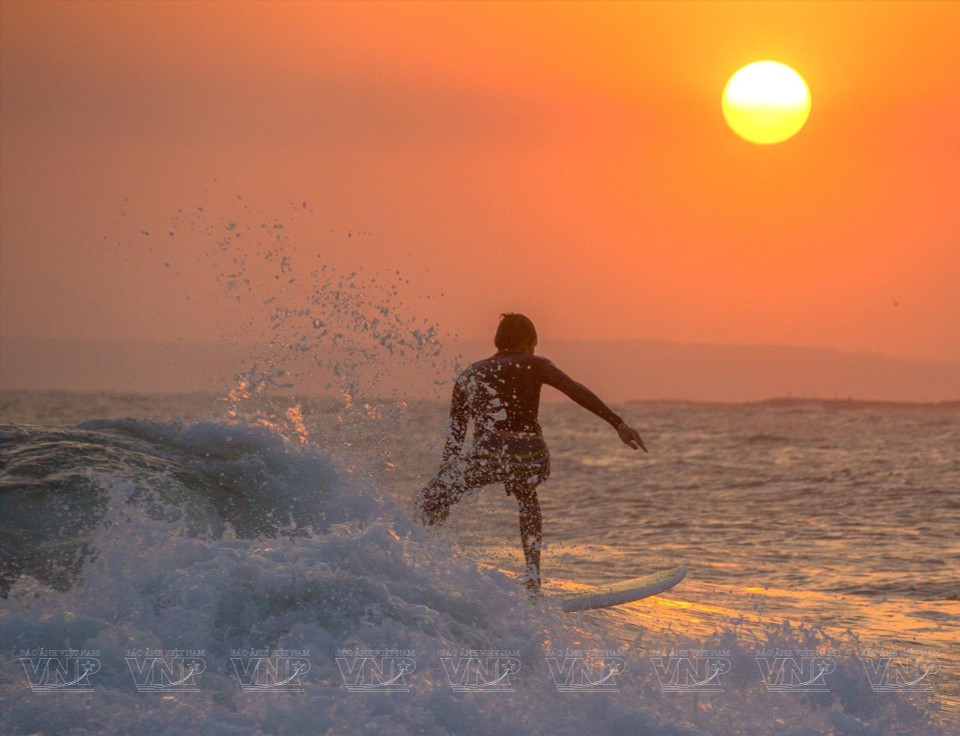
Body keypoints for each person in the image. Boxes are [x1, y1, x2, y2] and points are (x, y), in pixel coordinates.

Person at [415, 313, 646, 595]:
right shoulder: (534, 364)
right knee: (527, 497)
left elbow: (456, 430)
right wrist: (617, 423)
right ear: (527, 343)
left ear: (497, 341)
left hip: (489, 455)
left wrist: (446, 474)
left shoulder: (471, 373)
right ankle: (533, 579)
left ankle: (421, 563)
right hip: (531, 455)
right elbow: (575, 390)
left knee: (431, 500)